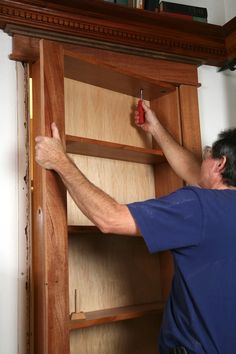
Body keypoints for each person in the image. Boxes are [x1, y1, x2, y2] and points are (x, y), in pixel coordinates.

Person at [35, 102, 236, 354]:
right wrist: (156, 130)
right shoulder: (220, 206)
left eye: (207, 155)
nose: (201, 162)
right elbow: (194, 171)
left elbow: (109, 219)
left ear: (220, 164)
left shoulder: (199, 205)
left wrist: (61, 161)